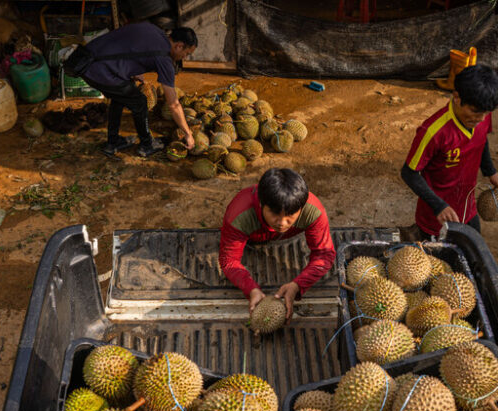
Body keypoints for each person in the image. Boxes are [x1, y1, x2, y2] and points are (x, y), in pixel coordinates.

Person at [400, 64, 498, 238]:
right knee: (437, 254)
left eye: (486, 113)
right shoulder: (433, 132)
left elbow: (481, 141)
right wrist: (438, 206)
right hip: (437, 217)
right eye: (475, 111)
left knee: (474, 247)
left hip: (467, 208)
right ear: (457, 97)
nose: (481, 119)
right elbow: (409, 173)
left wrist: (490, 171)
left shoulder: (482, 114)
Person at [219, 168, 336, 320]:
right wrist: (251, 289)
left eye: (290, 215)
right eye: (274, 214)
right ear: (261, 204)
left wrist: (298, 285)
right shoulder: (239, 215)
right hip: (253, 236)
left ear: (301, 208)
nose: (282, 223)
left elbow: (324, 254)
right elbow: (229, 261)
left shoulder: (313, 211)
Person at [71, 24, 198, 157]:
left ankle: (112, 143)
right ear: (179, 46)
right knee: (140, 102)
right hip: (99, 70)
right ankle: (146, 145)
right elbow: (173, 105)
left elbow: (128, 42)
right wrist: (187, 133)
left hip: (85, 59)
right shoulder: (164, 58)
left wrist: (132, 68)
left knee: (120, 95)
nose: (185, 57)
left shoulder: (153, 30)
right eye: (187, 53)